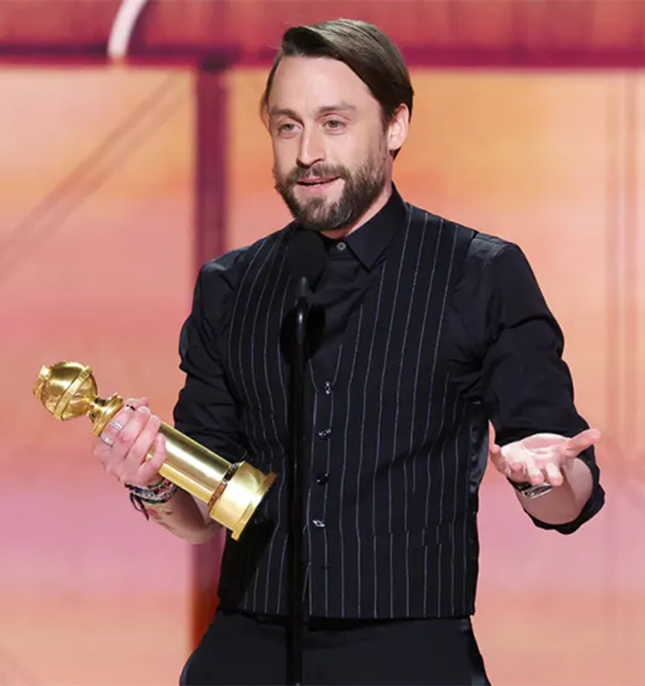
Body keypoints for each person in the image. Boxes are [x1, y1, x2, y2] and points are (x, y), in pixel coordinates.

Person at [92, 18, 605, 686]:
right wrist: (153, 478)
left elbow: (568, 488)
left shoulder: (480, 273)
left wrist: (545, 477)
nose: (308, 152)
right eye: (287, 126)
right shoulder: (232, 286)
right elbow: (203, 512)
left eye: (334, 123)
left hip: (410, 652)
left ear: (395, 127)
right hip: (247, 645)